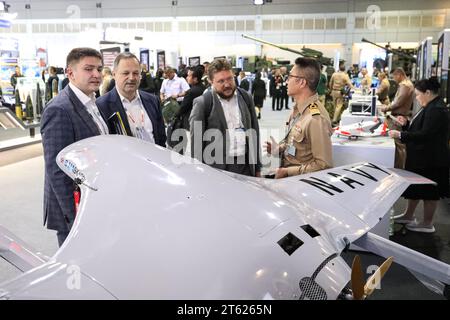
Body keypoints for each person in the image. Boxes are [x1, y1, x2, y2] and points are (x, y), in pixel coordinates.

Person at [40, 47, 109, 247]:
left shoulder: (93, 103)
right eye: (88, 69)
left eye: (99, 69)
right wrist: (74, 218)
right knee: (74, 270)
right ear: (70, 73)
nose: (96, 74)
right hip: (75, 210)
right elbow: (57, 169)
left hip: (93, 203)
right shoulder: (59, 109)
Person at [389, 77, 449, 233]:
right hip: (423, 157)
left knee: (430, 193)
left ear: (428, 92)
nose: (416, 97)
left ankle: (427, 223)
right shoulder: (430, 105)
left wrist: (401, 135)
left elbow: (425, 134)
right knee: (416, 187)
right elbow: (422, 128)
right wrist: (406, 124)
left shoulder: (436, 109)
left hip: (432, 159)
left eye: (418, 94)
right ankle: (409, 215)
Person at [190, 58, 261, 177]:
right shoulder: (203, 103)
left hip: (246, 166)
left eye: (230, 79)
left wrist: (257, 167)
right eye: (221, 81)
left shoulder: (245, 97)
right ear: (211, 81)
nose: (227, 84)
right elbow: (196, 145)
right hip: (217, 170)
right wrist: (199, 174)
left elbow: (255, 131)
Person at [265, 57, 333, 178]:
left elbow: (324, 165)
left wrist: (287, 172)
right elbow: (296, 145)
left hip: (300, 185)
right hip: (288, 179)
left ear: (302, 82)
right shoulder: (297, 110)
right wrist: (280, 149)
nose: (287, 81)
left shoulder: (316, 119)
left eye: (290, 77)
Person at [97, 53, 166, 147]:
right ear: (114, 74)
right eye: (126, 73)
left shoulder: (152, 100)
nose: (132, 78)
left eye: (136, 73)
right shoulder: (101, 105)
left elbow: (161, 137)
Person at [378, 67, 414, 169]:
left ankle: (399, 169)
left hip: (397, 118)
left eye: (394, 76)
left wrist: (386, 108)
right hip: (399, 116)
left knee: (398, 146)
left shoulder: (405, 85)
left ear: (399, 74)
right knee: (398, 146)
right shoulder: (407, 84)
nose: (393, 79)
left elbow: (398, 102)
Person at [168, 66, 206, 151]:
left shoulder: (192, 92)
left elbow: (183, 108)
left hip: (190, 122)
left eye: (189, 76)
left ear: (195, 79)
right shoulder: (203, 88)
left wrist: (174, 116)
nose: (187, 77)